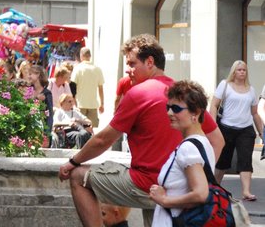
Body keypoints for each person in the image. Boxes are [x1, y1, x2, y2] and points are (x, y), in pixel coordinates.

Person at [58, 34, 223, 227]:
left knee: (78, 176)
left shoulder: (138, 93)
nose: (128, 70)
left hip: (145, 183)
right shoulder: (183, 94)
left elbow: (103, 140)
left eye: (132, 63)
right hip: (176, 189)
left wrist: (72, 162)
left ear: (150, 62)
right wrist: (194, 181)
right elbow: (218, 141)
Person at [149, 80, 215, 226]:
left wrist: (165, 200)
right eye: (168, 107)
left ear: (196, 113)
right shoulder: (204, 143)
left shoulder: (188, 148)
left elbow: (200, 193)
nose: (169, 113)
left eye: (176, 109)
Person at [209, 59, 262, 201]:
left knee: (245, 160)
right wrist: (213, 125)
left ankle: (246, 191)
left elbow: (255, 113)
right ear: (234, 71)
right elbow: (214, 105)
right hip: (226, 128)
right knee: (222, 161)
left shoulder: (251, 90)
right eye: (239, 70)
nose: (242, 72)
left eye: (244, 70)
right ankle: (214, 187)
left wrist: (262, 132)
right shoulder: (225, 85)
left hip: (245, 130)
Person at [72, 47, 105, 127]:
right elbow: (100, 88)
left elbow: (73, 87)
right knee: (91, 128)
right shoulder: (97, 69)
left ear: (81, 56)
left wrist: (73, 102)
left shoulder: (77, 68)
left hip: (80, 104)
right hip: (93, 104)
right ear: (90, 56)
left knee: (80, 127)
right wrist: (102, 104)